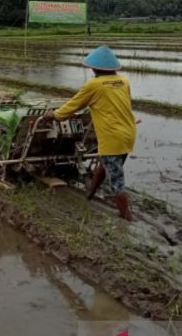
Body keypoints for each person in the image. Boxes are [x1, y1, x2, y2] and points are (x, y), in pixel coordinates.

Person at [44, 45, 137, 221]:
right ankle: (89, 194)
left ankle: (127, 219)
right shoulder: (123, 81)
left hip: (112, 137)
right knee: (106, 163)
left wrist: (54, 115)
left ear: (95, 67)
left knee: (116, 180)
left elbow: (74, 105)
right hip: (128, 132)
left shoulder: (94, 85)